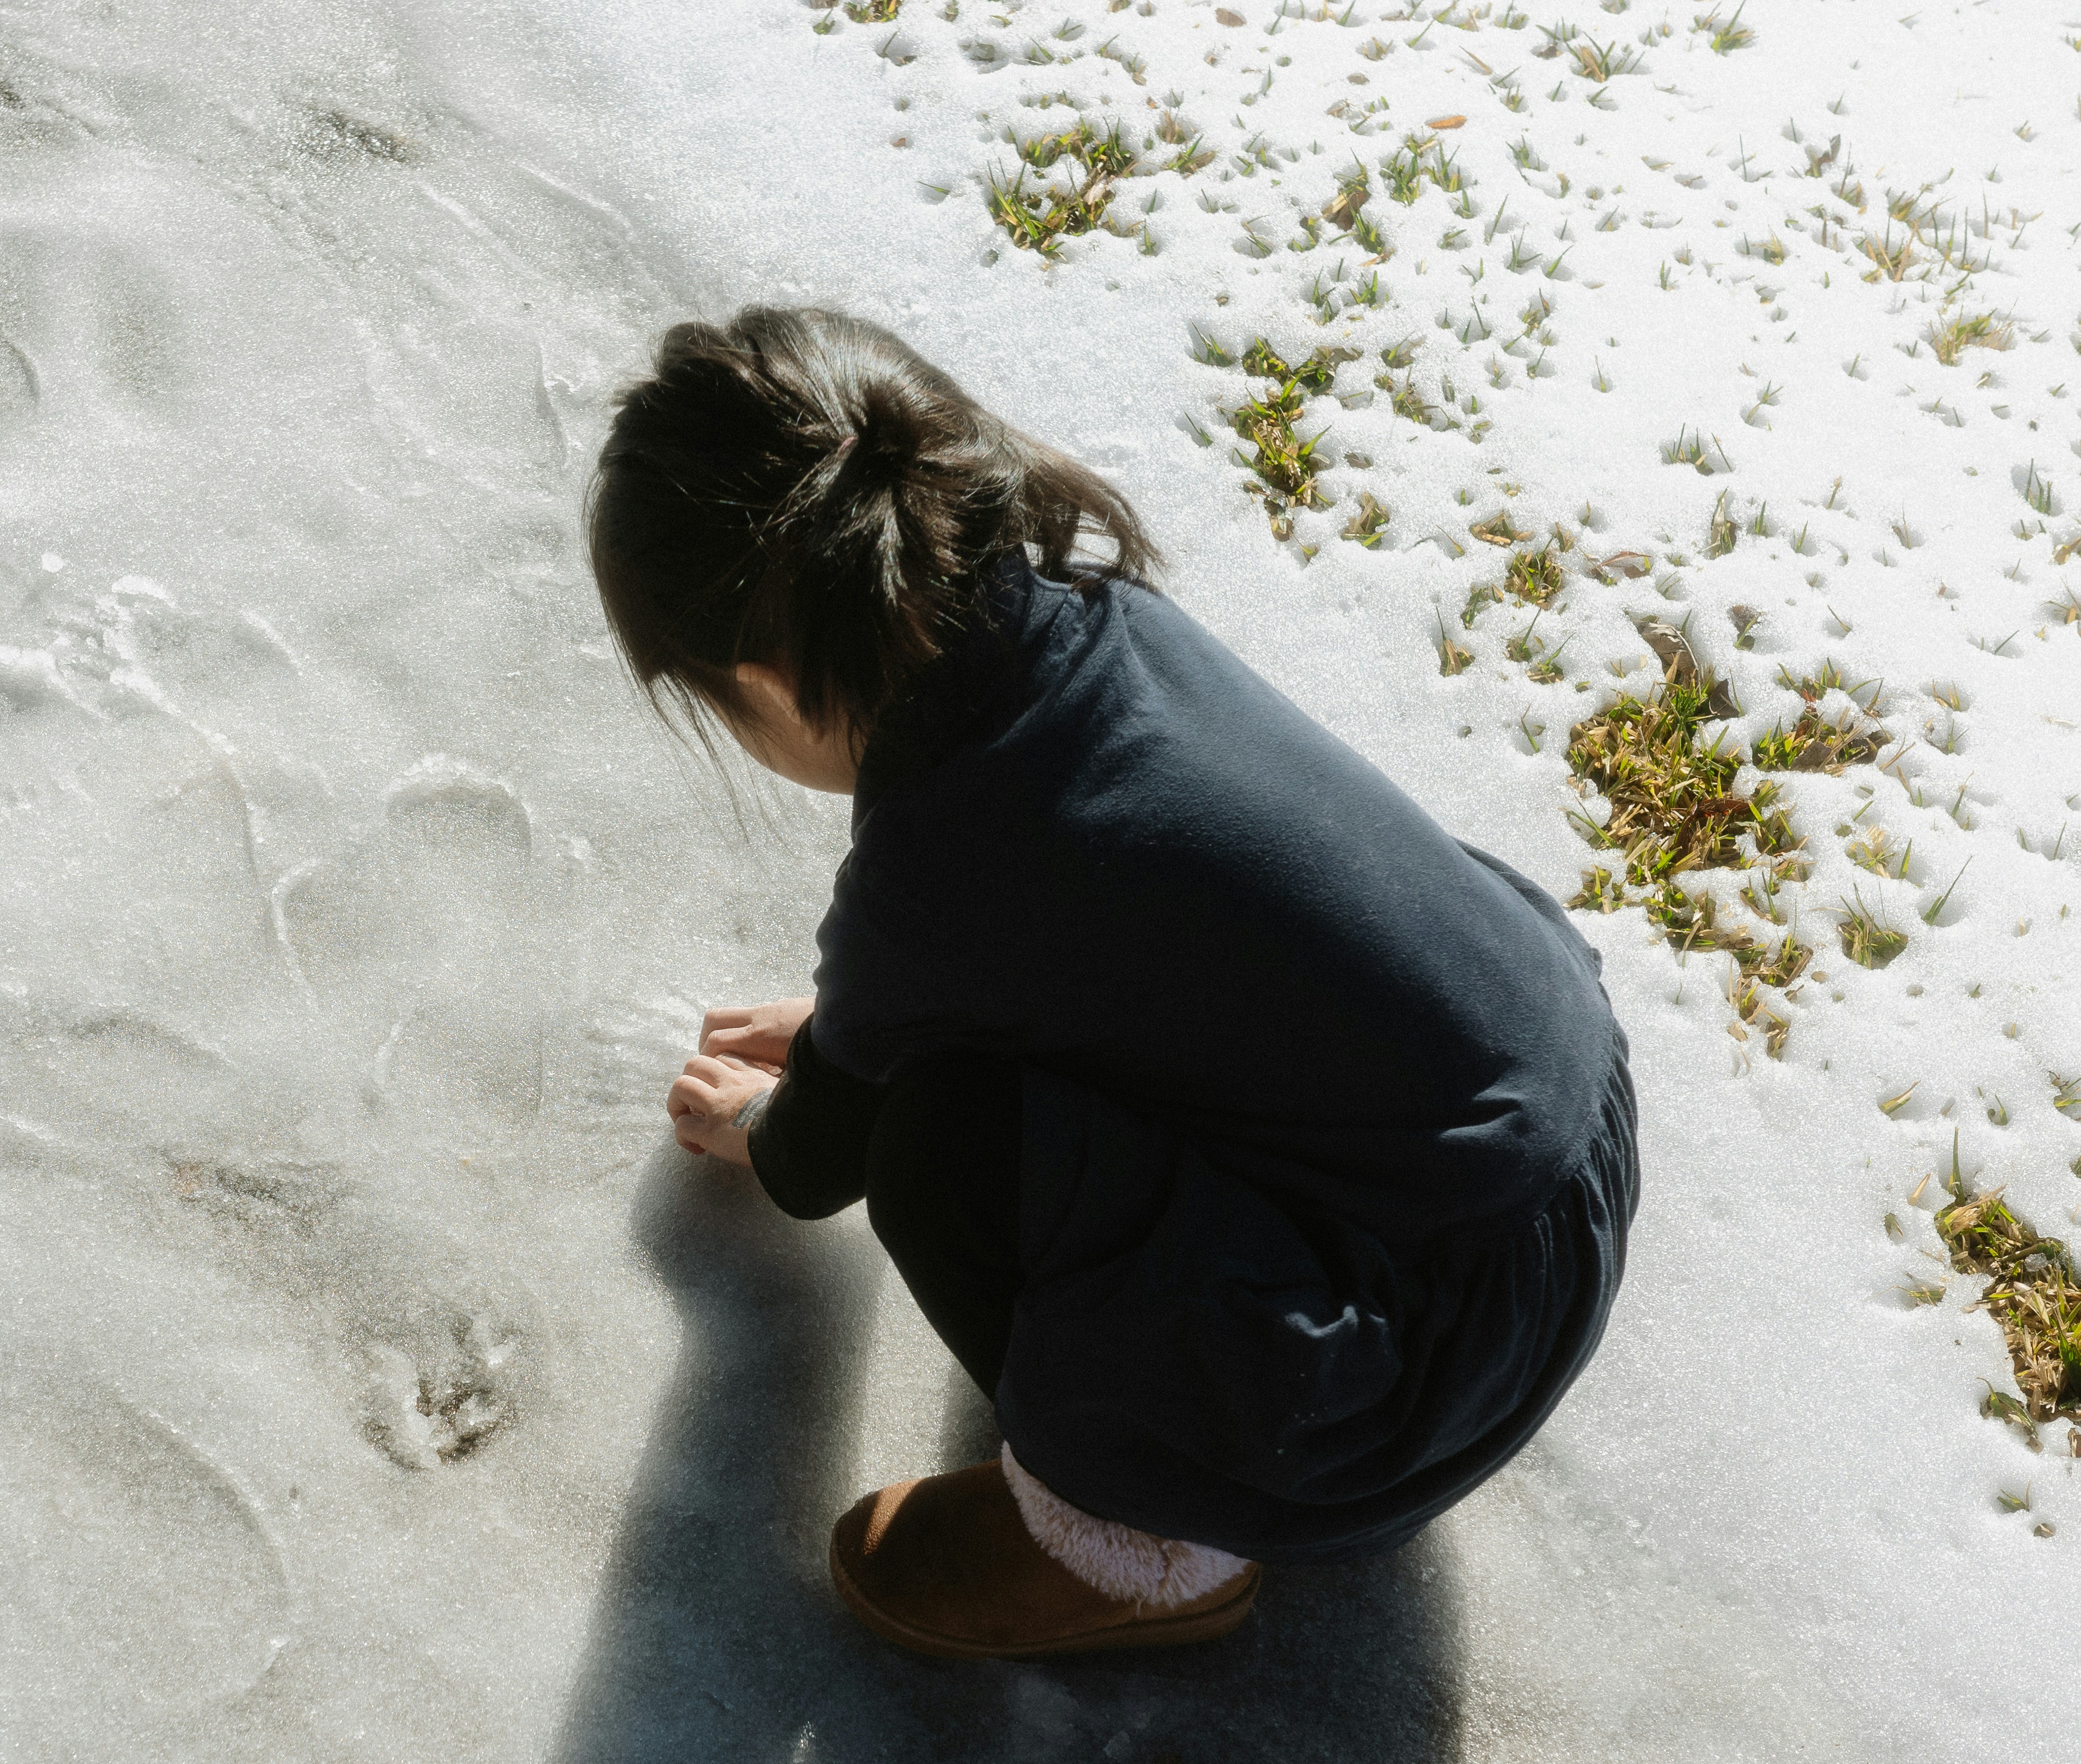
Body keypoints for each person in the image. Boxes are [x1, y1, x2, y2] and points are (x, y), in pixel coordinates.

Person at [590, 307, 1637, 1660]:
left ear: (764, 682)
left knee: (941, 1148)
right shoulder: (1106, 625)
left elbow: (812, 1168)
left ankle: (1143, 1545)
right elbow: (1126, 945)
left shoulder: (937, 871)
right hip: (1554, 1132)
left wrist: (766, 1118)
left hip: (1416, 1368)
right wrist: (860, 1023)